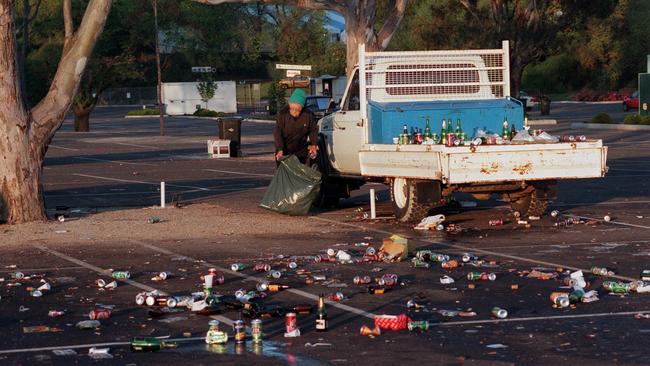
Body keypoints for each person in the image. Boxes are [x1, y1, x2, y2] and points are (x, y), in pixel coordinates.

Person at [273, 88, 318, 165]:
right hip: (284, 148)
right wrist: (280, 149)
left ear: (302, 107)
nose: (294, 111)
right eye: (292, 109)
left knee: (301, 171)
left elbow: (313, 130)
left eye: (297, 110)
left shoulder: (308, 115)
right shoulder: (283, 114)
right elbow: (277, 133)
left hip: (301, 149)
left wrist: (314, 144)